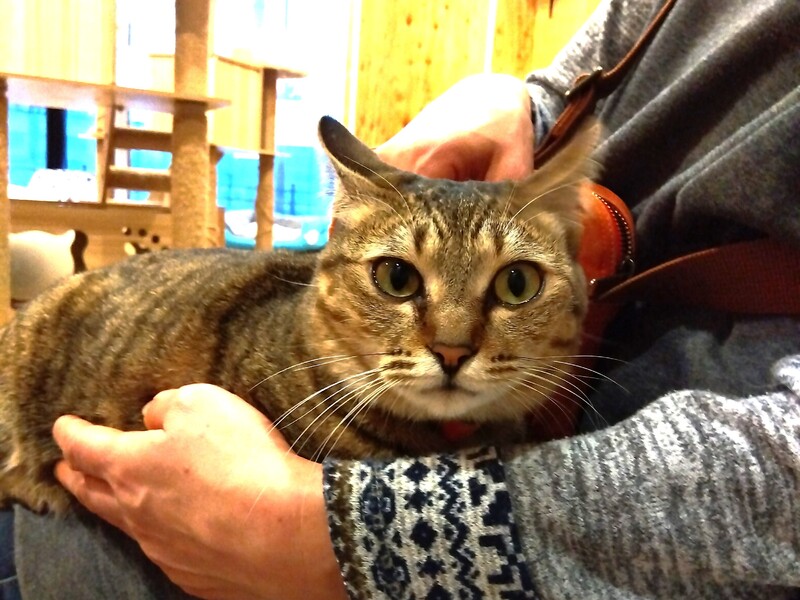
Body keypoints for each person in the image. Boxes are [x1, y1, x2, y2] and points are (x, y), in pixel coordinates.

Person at [4, 0, 799, 598]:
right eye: (398, 280)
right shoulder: (292, 388)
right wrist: (520, 100)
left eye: (514, 285)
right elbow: (578, 82)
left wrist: (343, 535)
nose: (452, 342)